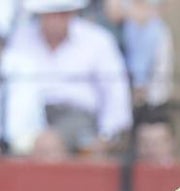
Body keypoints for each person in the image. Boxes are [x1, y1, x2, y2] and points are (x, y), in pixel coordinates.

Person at [0, 0, 132, 156]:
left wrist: (107, 136)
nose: (55, 20)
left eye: (62, 13)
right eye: (49, 14)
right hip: (29, 115)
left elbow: (115, 92)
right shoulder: (20, 38)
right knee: (22, 144)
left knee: (48, 144)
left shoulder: (97, 40)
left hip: (78, 117)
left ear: (72, 13)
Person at [105, 0, 172, 108]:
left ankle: (140, 88)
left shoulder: (156, 28)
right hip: (122, 49)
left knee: (152, 30)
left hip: (146, 89)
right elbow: (113, 13)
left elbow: (152, 13)